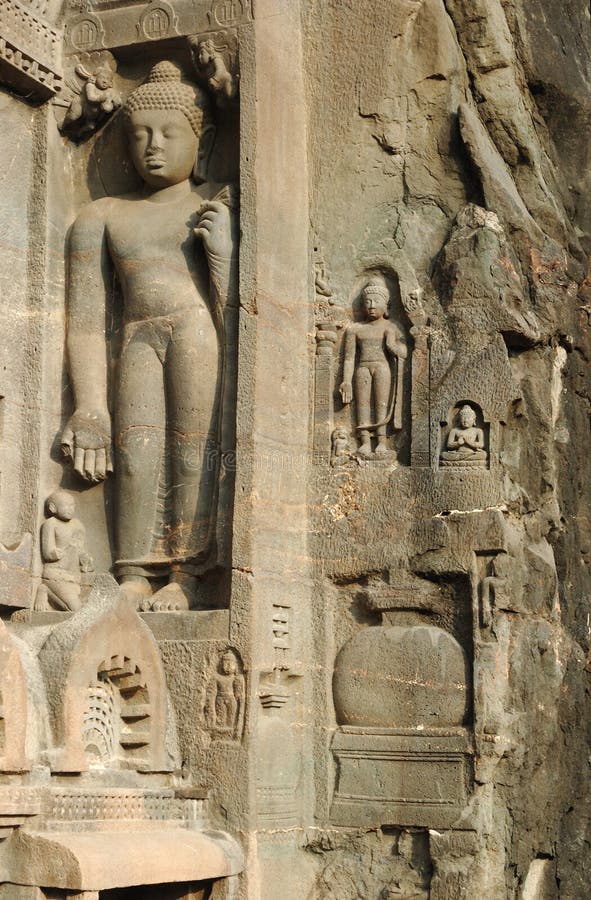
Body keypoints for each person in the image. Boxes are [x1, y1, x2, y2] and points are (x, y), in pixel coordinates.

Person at [61, 60, 237, 610]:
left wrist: (225, 258)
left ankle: (188, 575)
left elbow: (242, 316)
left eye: (169, 133)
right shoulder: (102, 216)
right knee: (134, 453)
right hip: (136, 337)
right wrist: (89, 405)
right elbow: (85, 321)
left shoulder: (216, 207)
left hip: (195, 331)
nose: (153, 147)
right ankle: (135, 570)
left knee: (192, 451)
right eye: (140, 135)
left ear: (200, 139)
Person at [339, 280, 407, 457]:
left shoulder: (391, 327)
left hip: (382, 367)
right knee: (362, 404)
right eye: (367, 302)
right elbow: (349, 358)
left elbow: (404, 352)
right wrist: (346, 381)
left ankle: (382, 442)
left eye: (376, 301)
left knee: (380, 404)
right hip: (362, 368)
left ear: (385, 305)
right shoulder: (355, 329)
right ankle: (364, 442)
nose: (371, 306)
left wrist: (392, 344)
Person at [36, 490, 94, 611]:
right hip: (56, 574)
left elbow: (82, 550)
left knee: (92, 608)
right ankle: (44, 590)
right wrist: (56, 553)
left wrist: (85, 559)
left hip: (76, 577)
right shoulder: (50, 524)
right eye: (66, 505)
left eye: (72, 505)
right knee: (76, 609)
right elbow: (47, 553)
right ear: (53, 508)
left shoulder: (78, 525)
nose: (70, 509)